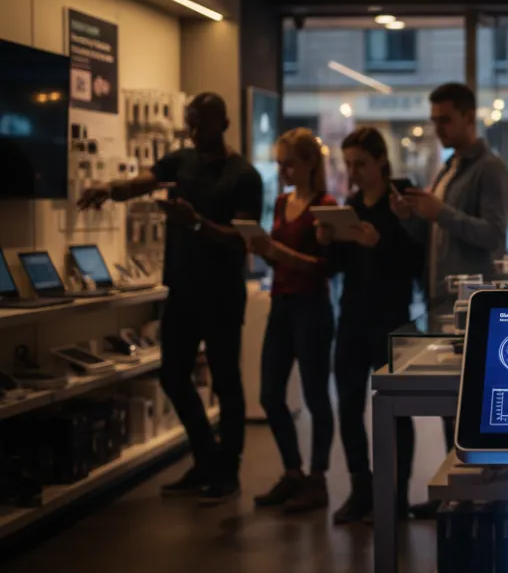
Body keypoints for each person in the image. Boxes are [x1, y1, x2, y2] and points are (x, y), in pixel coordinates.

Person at [77, 93, 262, 502]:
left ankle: (226, 471)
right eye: (190, 124)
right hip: (182, 289)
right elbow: (142, 182)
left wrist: (196, 224)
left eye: (200, 125)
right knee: (173, 376)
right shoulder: (181, 161)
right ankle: (206, 458)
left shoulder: (243, 176)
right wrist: (108, 188)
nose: (193, 132)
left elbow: (243, 239)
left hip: (221, 295)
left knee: (227, 382)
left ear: (223, 123)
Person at [395, 82, 508, 473]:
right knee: (452, 410)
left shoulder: (490, 169)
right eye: (434, 121)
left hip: (469, 304)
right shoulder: (450, 167)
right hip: (443, 300)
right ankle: (455, 493)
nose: (439, 128)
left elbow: (494, 236)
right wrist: (414, 216)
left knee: (466, 408)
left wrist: (439, 211)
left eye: (446, 119)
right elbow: (440, 231)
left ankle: (471, 495)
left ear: (468, 116)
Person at [318, 127, 422, 524]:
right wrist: (331, 242)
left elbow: (415, 262)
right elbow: (338, 268)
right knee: (347, 405)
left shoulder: (401, 199)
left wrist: (381, 243)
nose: (354, 172)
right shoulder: (353, 203)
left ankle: (395, 496)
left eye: (360, 163)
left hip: (390, 318)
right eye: (348, 165)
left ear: (381, 161)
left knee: (395, 409)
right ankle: (362, 489)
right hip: (352, 317)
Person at [247, 128, 338, 513]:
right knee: (270, 393)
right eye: (280, 162)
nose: (283, 169)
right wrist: (263, 251)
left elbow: (327, 267)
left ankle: (317, 478)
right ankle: (293, 471)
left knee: (317, 395)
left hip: (311, 306)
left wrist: (278, 252)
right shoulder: (283, 203)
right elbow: (278, 257)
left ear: (308, 164)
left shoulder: (326, 204)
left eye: (289, 162)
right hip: (283, 303)